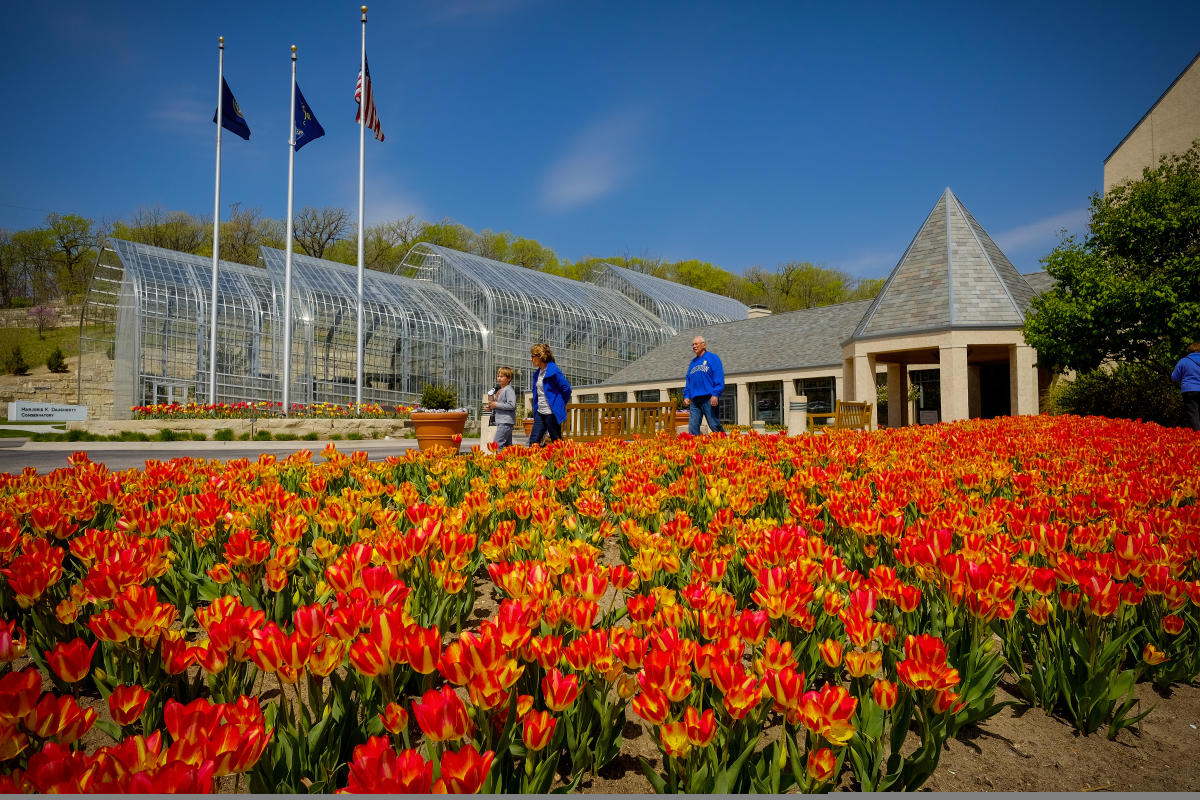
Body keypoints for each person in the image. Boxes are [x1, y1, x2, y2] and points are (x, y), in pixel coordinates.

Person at [528, 343, 572, 445]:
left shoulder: (554, 371)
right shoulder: (538, 373)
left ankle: (563, 460)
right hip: (540, 411)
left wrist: (559, 403)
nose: (531, 359)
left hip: (551, 413)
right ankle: (535, 460)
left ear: (541, 357)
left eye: (533, 356)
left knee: (556, 440)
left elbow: (567, 389)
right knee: (533, 441)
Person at [683, 335, 725, 435]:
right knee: (692, 427)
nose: (694, 346)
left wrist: (715, 394)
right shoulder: (693, 362)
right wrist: (687, 395)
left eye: (696, 344)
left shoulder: (713, 358)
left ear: (704, 345)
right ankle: (696, 447)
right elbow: (689, 380)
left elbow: (718, 376)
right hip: (695, 401)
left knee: (714, 424)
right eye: (692, 344)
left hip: (708, 398)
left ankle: (727, 444)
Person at [486, 366, 517, 451]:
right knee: (508, 446)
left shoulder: (508, 390)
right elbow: (501, 405)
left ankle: (500, 462)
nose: (499, 378)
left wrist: (496, 405)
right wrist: (491, 407)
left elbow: (511, 405)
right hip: (503, 421)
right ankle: (510, 462)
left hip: (505, 421)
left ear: (509, 378)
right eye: (498, 376)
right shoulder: (501, 390)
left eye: (502, 376)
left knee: (497, 444)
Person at [1171, 341, 1200, 431]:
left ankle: (1197, 436)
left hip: (1189, 390)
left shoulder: (1183, 361)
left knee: (1193, 413)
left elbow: (1174, 377)